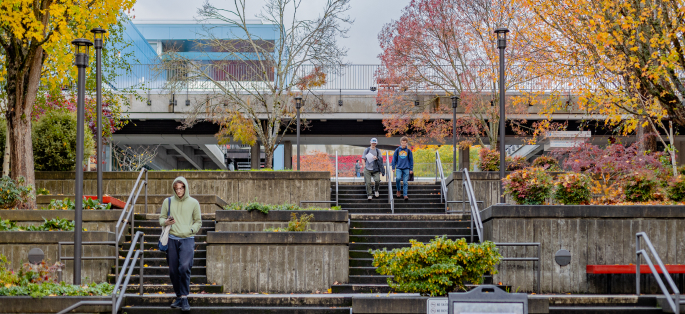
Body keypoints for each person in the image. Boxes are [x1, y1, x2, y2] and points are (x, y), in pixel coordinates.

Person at [159, 177, 202, 311]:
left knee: (184, 267)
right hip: (172, 239)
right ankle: (179, 296)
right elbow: (161, 219)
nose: (179, 191)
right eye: (176, 188)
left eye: (181, 188)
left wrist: (191, 230)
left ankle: (184, 298)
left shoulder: (194, 203)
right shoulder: (168, 201)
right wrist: (166, 222)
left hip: (187, 239)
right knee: (173, 271)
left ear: (185, 188)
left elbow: (198, 222)